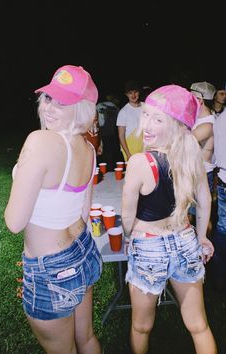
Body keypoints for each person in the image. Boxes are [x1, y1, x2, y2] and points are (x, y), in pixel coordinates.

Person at [4, 65, 102, 354]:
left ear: (82, 109)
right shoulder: (88, 148)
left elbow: (14, 221)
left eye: (63, 102)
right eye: (48, 97)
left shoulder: (40, 141)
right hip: (83, 252)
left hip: (51, 269)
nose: (49, 107)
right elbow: (83, 212)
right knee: (86, 339)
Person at [122, 85, 217, 354]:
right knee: (199, 326)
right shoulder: (192, 156)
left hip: (149, 246)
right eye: (146, 115)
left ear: (176, 126)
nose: (147, 125)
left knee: (141, 326)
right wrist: (202, 238)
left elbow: (128, 214)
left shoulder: (140, 162)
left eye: (158, 119)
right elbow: (205, 200)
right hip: (186, 242)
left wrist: (129, 238)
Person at [189, 81, 216, 235]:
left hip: (203, 175)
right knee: (191, 216)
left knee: (203, 219)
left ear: (199, 100)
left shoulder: (208, 124)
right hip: (194, 173)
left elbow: (184, 141)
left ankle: (206, 250)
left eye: (191, 97)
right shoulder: (199, 119)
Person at [212, 107, 226, 292]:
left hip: (223, 177)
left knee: (223, 228)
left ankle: (218, 279)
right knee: (223, 231)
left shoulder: (219, 118)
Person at [116, 80, 143, 161]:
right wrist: (128, 153)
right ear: (126, 94)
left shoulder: (146, 107)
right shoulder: (123, 112)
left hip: (145, 148)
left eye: (135, 92)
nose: (133, 95)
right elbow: (121, 135)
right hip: (130, 149)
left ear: (139, 92)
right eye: (130, 93)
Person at [96, 93, 123, 170]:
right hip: (112, 135)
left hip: (100, 135)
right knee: (112, 158)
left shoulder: (98, 106)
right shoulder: (116, 108)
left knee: (102, 159)